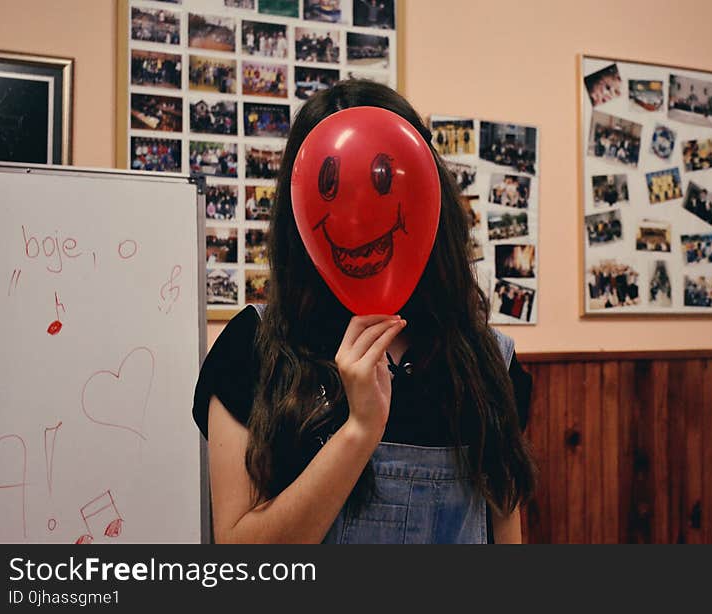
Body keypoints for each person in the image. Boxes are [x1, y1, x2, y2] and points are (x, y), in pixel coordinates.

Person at [193, 80, 535, 544]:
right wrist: (358, 431)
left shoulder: (487, 360)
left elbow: (506, 534)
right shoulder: (252, 351)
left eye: (380, 181)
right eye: (332, 187)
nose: (357, 216)